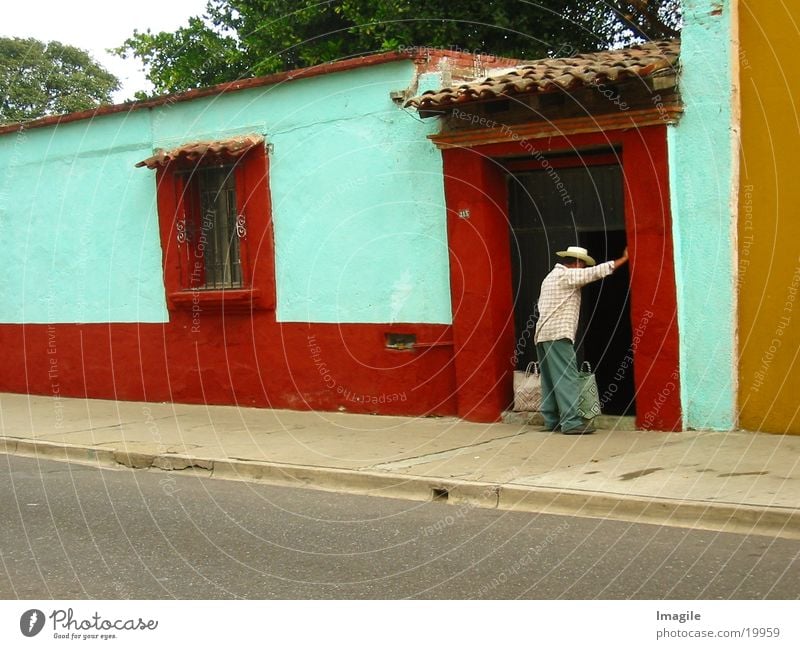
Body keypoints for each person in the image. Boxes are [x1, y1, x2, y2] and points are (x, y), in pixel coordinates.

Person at [534, 245, 629, 435]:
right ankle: (570, 422)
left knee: (550, 380)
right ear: (577, 263)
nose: (584, 268)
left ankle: (551, 419)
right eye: (583, 265)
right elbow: (594, 273)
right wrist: (623, 260)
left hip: (542, 335)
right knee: (567, 378)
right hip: (559, 334)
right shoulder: (566, 275)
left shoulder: (550, 277)